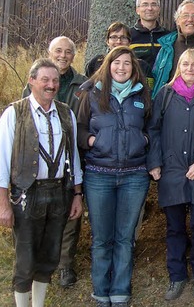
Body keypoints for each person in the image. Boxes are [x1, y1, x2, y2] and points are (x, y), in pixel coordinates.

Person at [0, 58, 83, 307]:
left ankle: (38, 305)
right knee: (25, 258)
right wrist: (3, 204)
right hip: (26, 196)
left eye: (54, 80)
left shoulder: (66, 113)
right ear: (32, 81)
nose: (51, 85)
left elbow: (73, 157)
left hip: (59, 194)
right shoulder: (14, 113)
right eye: (45, 80)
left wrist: (77, 194)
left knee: (49, 256)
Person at [77, 46, 152, 307]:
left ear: (134, 68)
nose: (121, 68)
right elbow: (79, 127)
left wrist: (143, 139)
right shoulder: (92, 93)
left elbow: (152, 126)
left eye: (127, 64)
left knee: (124, 237)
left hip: (134, 175)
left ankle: (120, 291)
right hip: (99, 175)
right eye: (116, 63)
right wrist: (91, 140)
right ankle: (101, 291)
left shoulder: (142, 94)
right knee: (101, 238)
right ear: (108, 65)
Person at [147, 49, 194, 301]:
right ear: (178, 66)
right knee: (174, 227)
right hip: (171, 169)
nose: (189, 68)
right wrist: (154, 162)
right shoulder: (166, 94)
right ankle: (176, 276)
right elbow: (152, 129)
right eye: (185, 64)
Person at [21, 36, 87, 288]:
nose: (63, 55)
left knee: (71, 215)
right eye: (58, 51)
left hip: (73, 155)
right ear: (49, 52)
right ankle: (37, 266)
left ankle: (65, 265)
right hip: (38, 161)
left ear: (74, 55)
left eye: (68, 51)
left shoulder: (82, 84)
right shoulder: (34, 82)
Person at [86, 22, 151, 78]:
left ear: (129, 42)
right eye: (114, 37)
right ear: (107, 41)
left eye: (123, 37)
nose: (118, 41)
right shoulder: (96, 63)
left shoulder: (141, 66)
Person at [130, 0, 168, 69]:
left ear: (159, 9)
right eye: (145, 5)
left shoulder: (168, 37)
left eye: (154, 4)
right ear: (137, 10)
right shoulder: (129, 36)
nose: (150, 8)